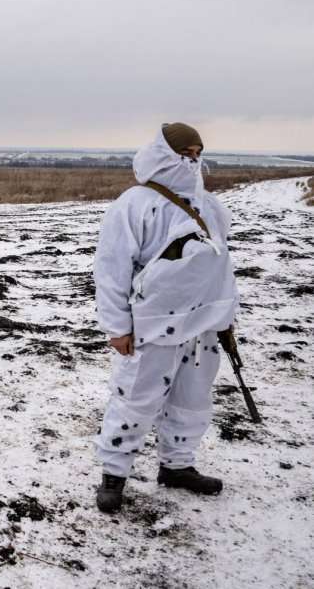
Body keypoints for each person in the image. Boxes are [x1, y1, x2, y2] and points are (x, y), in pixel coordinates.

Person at [92, 122, 238, 513]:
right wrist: (117, 326)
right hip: (152, 323)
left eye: (196, 153)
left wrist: (225, 314)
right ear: (162, 154)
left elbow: (219, 265)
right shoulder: (133, 204)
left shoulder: (210, 207)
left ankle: (178, 465)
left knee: (193, 398)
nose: (191, 160)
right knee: (134, 399)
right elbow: (111, 269)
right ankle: (114, 475)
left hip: (202, 323)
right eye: (184, 153)